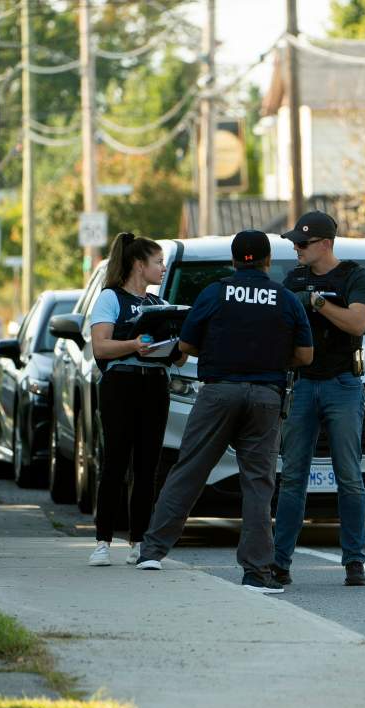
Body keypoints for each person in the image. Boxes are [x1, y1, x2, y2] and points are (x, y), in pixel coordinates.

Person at [134, 231, 313, 593]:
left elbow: (186, 343)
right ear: (267, 261)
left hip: (217, 392)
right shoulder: (285, 298)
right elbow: (306, 356)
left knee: (190, 469)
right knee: (258, 483)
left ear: (233, 261)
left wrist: (222, 352)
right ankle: (256, 573)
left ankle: (152, 552)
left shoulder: (215, 293)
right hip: (266, 396)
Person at [273, 211, 365, 587]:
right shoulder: (293, 279)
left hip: (342, 383)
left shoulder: (354, 276)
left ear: (326, 244)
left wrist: (317, 304)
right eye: (294, 243)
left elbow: (358, 322)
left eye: (303, 243)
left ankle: (354, 561)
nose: (296, 249)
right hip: (302, 383)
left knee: (348, 475)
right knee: (292, 477)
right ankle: (279, 562)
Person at [86, 232, 185, 567]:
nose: (163, 268)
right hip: (121, 384)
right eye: (158, 262)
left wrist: (176, 346)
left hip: (155, 385)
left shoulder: (160, 304)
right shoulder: (111, 298)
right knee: (115, 461)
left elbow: (180, 355)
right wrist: (133, 345)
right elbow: (101, 346)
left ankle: (139, 541)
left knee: (147, 466)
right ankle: (102, 541)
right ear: (139, 265)